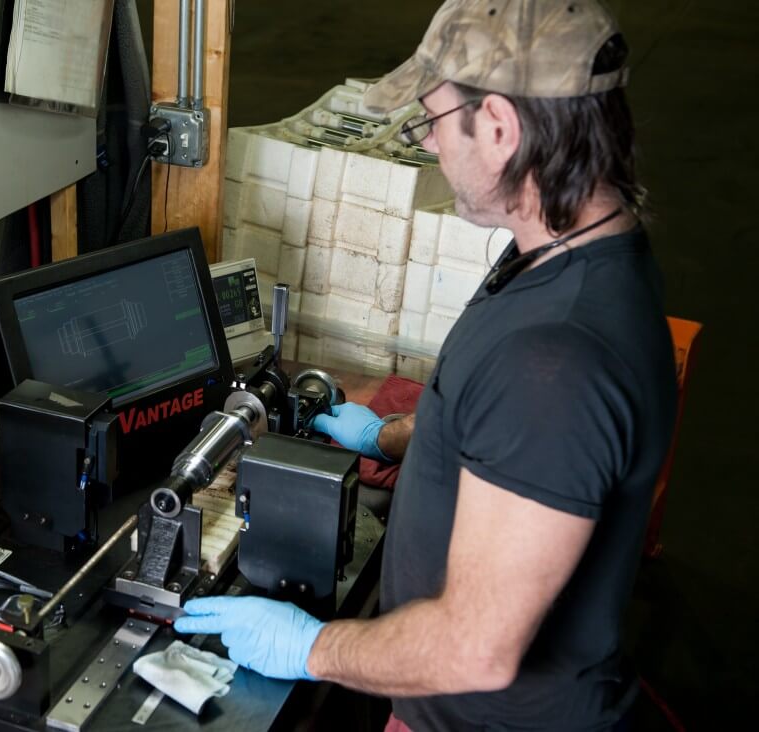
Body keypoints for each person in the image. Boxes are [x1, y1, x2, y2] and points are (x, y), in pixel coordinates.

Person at [174, 1, 678, 729]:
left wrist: (312, 647)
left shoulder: (556, 361)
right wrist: (390, 437)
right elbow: (507, 437)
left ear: (500, 126)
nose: (433, 147)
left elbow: (476, 650)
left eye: (433, 122)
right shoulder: (565, 255)